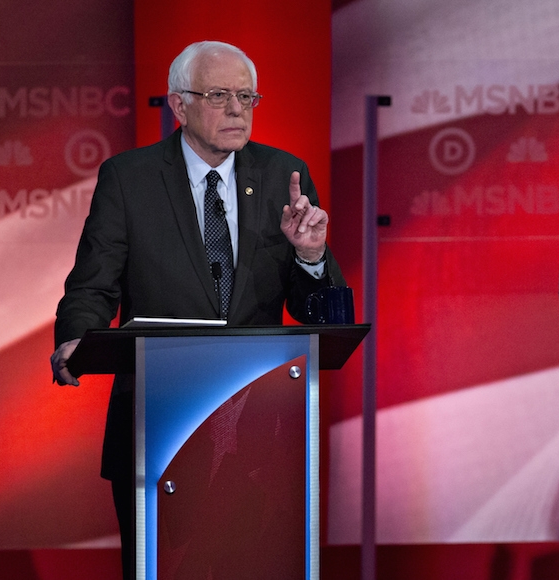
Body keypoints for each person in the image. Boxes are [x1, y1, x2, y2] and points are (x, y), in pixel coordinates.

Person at [49, 40, 345, 579]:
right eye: (219, 95)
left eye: (247, 97)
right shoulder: (129, 178)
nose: (237, 109)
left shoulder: (285, 175)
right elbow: (93, 283)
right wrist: (76, 337)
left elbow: (319, 312)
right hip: (161, 426)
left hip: (260, 432)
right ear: (179, 106)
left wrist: (311, 255)